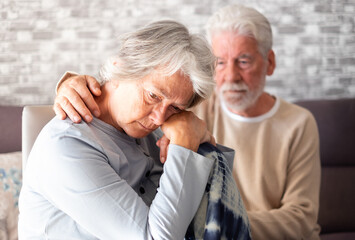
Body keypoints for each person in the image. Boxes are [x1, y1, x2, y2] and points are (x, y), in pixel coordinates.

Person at [53, 4, 321, 240]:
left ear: (270, 62)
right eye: (220, 63)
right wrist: (72, 85)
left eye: (244, 61)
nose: (230, 76)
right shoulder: (186, 108)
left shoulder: (298, 123)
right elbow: (134, 82)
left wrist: (221, 220)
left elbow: (301, 218)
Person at [18, 20, 250, 239]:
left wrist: (195, 140)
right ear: (119, 70)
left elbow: (213, 203)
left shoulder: (148, 132)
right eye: (153, 95)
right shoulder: (66, 146)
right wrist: (184, 146)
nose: (159, 117)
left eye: (175, 108)